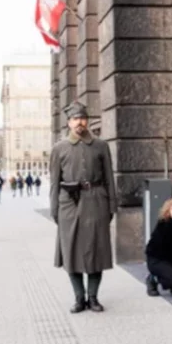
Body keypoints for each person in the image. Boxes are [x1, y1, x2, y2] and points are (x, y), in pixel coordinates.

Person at [50, 102, 115, 313]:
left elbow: (109, 179)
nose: (80, 122)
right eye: (76, 119)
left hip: (96, 201)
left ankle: (93, 297)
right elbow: (54, 182)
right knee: (72, 252)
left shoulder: (101, 146)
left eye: (83, 118)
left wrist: (111, 206)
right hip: (68, 205)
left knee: (96, 250)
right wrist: (55, 210)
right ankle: (79, 298)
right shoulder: (59, 148)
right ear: (69, 122)